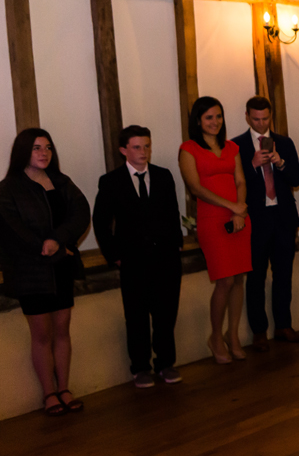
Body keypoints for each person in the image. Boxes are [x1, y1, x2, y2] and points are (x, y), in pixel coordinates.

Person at [0, 129, 90, 415]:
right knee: (41, 334)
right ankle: (49, 394)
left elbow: (81, 213)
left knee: (62, 330)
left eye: (48, 147)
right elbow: (11, 228)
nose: (44, 153)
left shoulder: (61, 181)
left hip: (61, 265)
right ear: (23, 151)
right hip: (30, 271)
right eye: (37, 148)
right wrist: (44, 246)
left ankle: (64, 388)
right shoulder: (8, 188)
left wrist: (59, 241)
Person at [93, 126, 185, 388]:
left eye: (147, 146)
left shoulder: (163, 176)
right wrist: (115, 256)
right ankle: (141, 367)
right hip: (133, 260)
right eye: (136, 147)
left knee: (166, 314)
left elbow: (172, 213)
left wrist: (176, 244)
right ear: (123, 150)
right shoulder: (111, 181)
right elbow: (100, 222)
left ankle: (166, 363)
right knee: (136, 316)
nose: (143, 152)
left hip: (166, 258)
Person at [179, 97, 252, 364]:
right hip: (212, 219)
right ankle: (215, 337)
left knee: (239, 279)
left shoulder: (232, 147)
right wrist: (232, 206)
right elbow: (196, 188)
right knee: (225, 280)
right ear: (198, 120)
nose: (215, 122)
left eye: (218, 116)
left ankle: (233, 336)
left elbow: (241, 180)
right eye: (209, 117)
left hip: (239, 217)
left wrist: (239, 209)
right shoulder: (188, 149)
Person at [232, 96, 299, 350]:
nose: (261, 124)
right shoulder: (237, 146)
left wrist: (280, 162)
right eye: (256, 119)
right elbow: (234, 187)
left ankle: (284, 325)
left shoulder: (284, 142)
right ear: (247, 117)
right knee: (256, 277)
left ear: (270, 116)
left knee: (284, 273)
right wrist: (252, 165)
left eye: (265, 118)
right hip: (255, 219)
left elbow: (295, 179)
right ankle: (259, 331)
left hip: (283, 217)